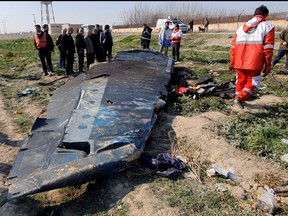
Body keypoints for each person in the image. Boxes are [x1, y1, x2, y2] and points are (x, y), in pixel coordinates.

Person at [229, 5, 275, 109]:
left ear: (254, 15)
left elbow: (233, 47)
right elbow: (268, 48)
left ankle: (237, 98)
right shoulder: (268, 27)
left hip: (239, 59)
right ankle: (240, 99)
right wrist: (268, 64)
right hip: (254, 60)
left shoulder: (241, 28)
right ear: (266, 15)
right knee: (253, 81)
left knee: (240, 80)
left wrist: (232, 62)